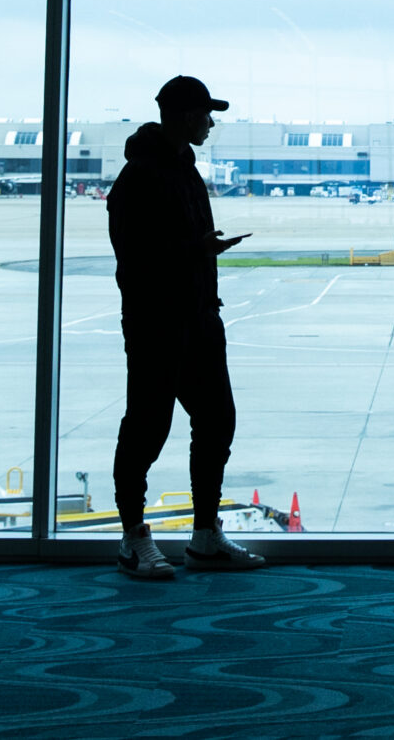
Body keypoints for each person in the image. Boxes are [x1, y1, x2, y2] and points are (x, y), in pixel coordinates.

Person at [105, 73, 265, 579]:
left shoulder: (185, 171)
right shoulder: (138, 179)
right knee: (146, 430)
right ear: (183, 116)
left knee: (217, 421)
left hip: (198, 319)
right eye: (205, 114)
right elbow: (134, 258)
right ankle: (133, 538)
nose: (211, 124)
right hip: (157, 325)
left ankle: (204, 536)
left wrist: (202, 259)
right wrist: (197, 250)